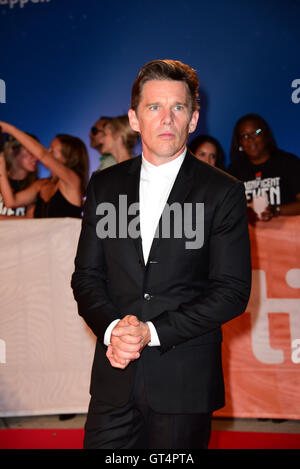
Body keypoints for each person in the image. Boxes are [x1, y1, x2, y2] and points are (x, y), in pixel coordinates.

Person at [71, 59, 251, 449]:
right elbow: (86, 276)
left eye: (178, 108)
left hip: (184, 382)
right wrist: (113, 331)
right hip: (114, 379)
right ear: (134, 118)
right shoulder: (104, 186)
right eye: (154, 107)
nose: (166, 119)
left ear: (194, 119)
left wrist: (150, 332)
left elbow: (232, 291)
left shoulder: (222, 192)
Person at [0, 121, 89, 218]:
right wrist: (1, 163)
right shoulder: (41, 184)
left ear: (67, 158)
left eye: (52, 150)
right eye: (48, 149)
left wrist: (8, 128)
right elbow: (11, 202)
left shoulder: (73, 181)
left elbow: (43, 155)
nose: (47, 152)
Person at [228, 113, 300, 222]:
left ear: (265, 135)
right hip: (248, 237)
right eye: (244, 135)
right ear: (240, 143)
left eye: (256, 133)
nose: (251, 139)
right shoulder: (234, 171)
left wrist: (276, 210)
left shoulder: (289, 162)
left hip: (286, 235)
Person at [0, 134, 38, 218]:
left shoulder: (37, 185)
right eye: (30, 152)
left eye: (37, 153)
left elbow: (30, 220)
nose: (36, 158)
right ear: (12, 151)